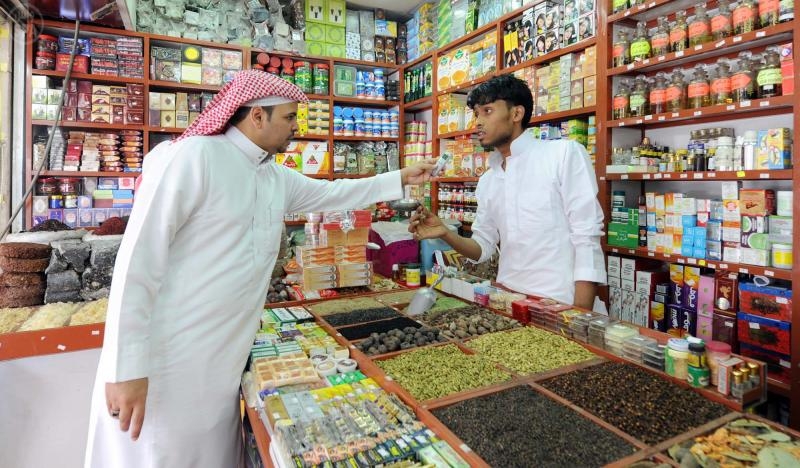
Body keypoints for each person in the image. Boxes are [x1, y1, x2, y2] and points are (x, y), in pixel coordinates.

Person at [84, 70, 435, 468]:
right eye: (288, 118)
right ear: (256, 116)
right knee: (157, 453)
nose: (296, 128)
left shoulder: (273, 175)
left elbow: (334, 193)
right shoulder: (192, 157)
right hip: (168, 355)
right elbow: (137, 264)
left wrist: (400, 178)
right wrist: (126, 367)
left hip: (224, 355)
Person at [408, 74, 606, 310]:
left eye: (488, 111)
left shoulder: (563, 155)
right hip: (507, 301)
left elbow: (587, 238)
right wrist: (445, 233)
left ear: (516, 114)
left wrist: (579, 316)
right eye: (476, 114)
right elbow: (483, 247)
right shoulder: (489, 179)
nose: (478, 122)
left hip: (560, 302)